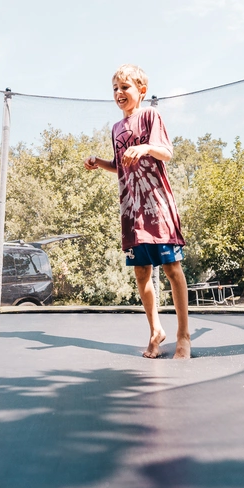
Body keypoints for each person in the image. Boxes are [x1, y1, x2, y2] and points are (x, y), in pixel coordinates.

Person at [84, 64, 191, 359]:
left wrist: (145, 148)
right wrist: (100, 162)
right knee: (142, 272)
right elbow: (122, 165)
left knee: (172, 269)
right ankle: (156, 330)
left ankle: (183, 335)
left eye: (125, 88)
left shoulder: (150, 116)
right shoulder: (116, 128)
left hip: (157, 204)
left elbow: (166, 151)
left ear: (141, 91)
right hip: (132, 209)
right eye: (115, 89)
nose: (119, 93)